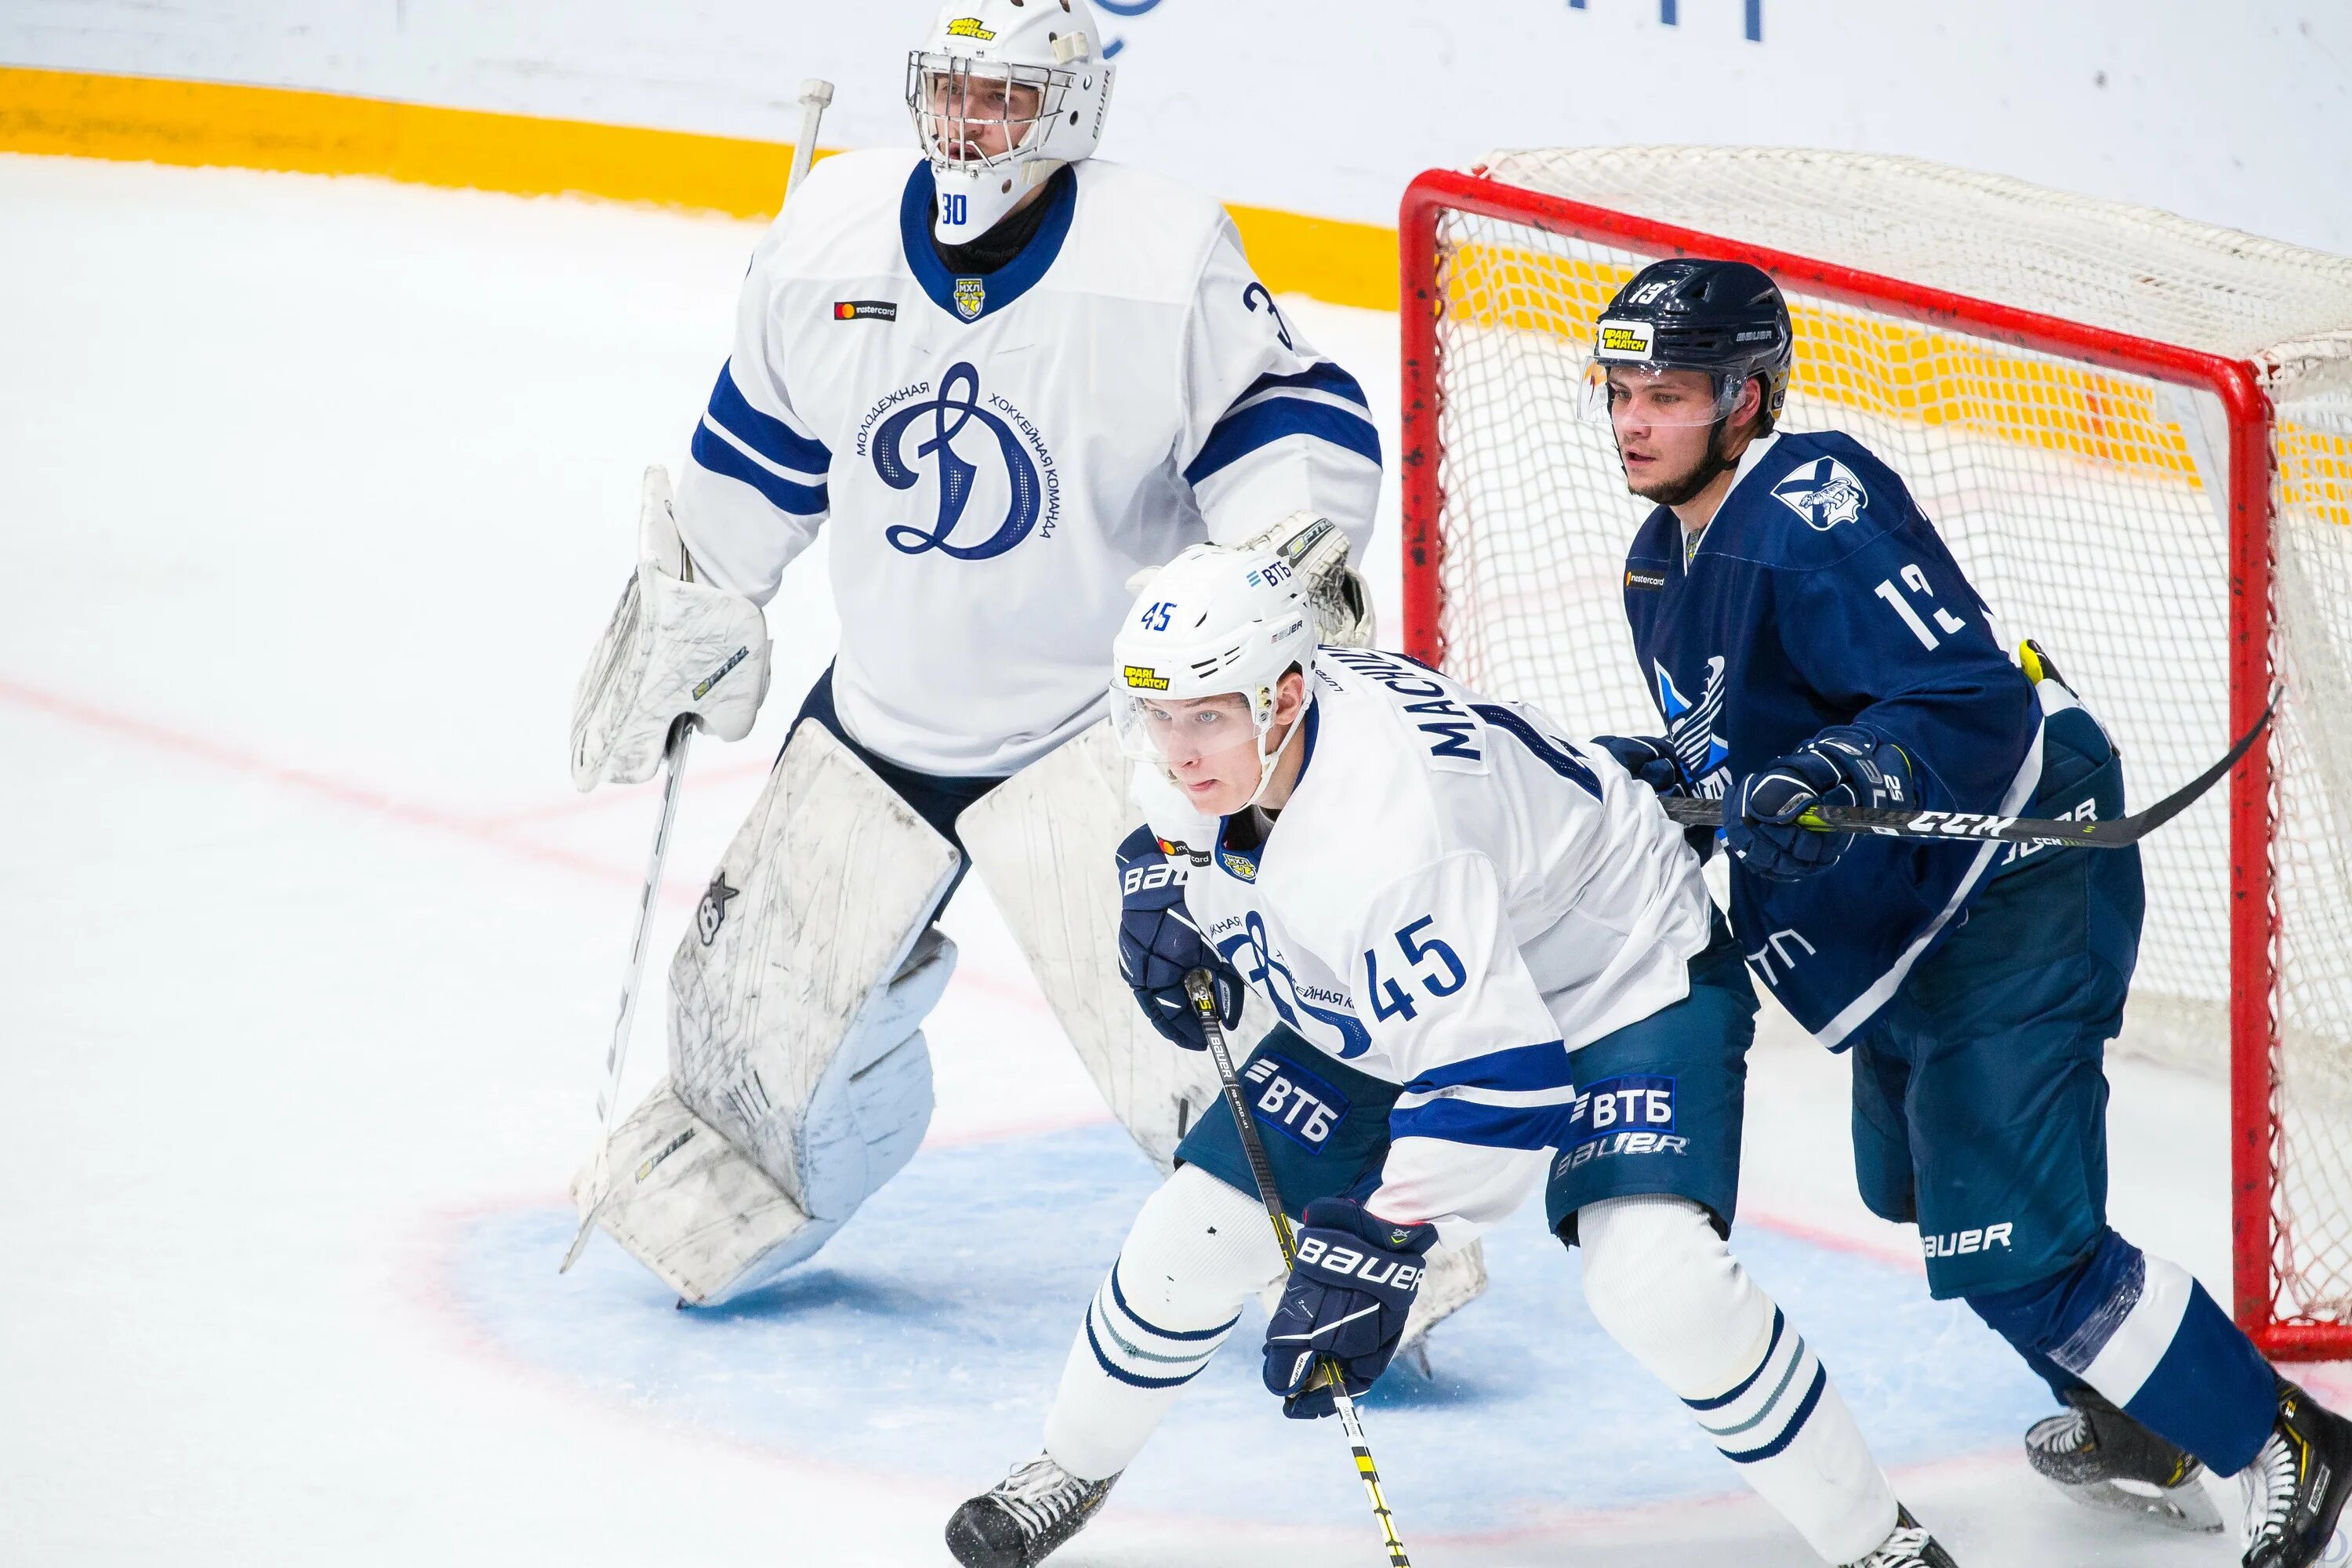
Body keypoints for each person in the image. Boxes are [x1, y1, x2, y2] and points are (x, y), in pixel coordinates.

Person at [561, 0, 1384, 1305]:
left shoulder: (1158, 255)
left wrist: (1279, 575)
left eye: (1001, 100)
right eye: (949, 93)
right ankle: (764, 1185)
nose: (968, 125)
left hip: (1098, 735)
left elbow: (1292, 417)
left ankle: (1365, 1246)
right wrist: (704, 603)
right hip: (882, 719)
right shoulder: (830, 231)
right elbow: (762, 437)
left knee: (1202, 1047)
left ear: (1068, 116)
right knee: (751, 1054)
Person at [946, 539, 1955, 1568]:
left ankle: (1878, 1542)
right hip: (1423, 971)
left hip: (1614, 975)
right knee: (1191, 1239)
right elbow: (1177, 805)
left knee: (1657, 1280)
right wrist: (1155, 874)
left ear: (1286, 698)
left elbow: (1497, 1082)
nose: (1179, 749)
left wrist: (1386, 1238)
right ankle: (1069, 1464)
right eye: (1158, 718)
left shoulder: (1382, 841)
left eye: (1205, 719)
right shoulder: (1237, 712)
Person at [1584, 255, 2352, 1568]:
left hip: (2012, 873)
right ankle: (2141, 1416)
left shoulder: (1810, 507)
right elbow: (1750, 749)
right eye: (1618, 393)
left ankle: (2276, 1438)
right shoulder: (1662, 563)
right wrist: (1689, 784)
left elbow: (1968, 700)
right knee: (1923, 1196)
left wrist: (1858, 770)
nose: (1635, 422)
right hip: (1896, 923)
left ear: (1747, 399)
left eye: (1667, 393)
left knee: (2009, 1241)